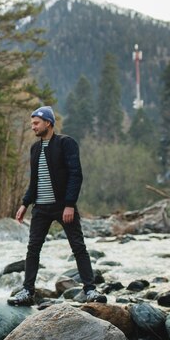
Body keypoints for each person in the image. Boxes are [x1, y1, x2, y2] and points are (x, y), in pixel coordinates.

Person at [7, 106, 106, 307]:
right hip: (41, 208)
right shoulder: (34, 149)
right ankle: (27, 291)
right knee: (33, 249)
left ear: (48, 123)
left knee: (78, 246)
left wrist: (70, 204)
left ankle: (90, 290)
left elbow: (75, 174)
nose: (32, 126)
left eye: (36, 123)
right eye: (32, 123)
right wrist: (25, 203)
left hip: (63, 206)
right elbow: (35, 180)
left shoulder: (66, 143)